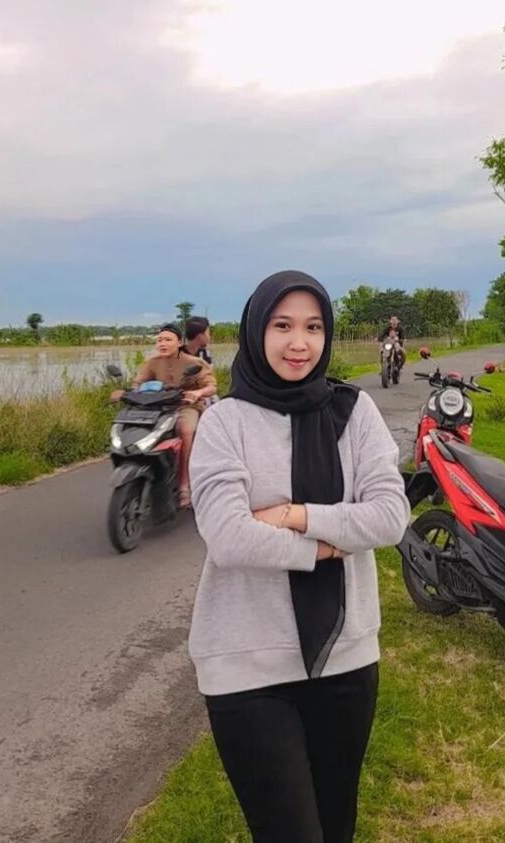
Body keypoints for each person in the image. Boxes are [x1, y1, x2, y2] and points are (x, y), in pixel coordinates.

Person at [188, 270, 410, 843]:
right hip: (247, 666)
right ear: (256, 331)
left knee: (336, 827)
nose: (299, 343)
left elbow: (390, 516)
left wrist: (294, 515)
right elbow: (230, 538)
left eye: (313, 328)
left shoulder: (354, 412)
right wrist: (333, 545)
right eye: (282, 326)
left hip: (346, 658)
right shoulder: (224, 423)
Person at [113, 323, 217, 508]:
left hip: (185, 406)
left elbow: (211, 386)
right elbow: (138, 384)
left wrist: (197, 393)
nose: (162, 343)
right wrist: (125, 392)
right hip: (156, 407)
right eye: (160, 340)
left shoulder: (194, 363)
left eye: (168, 340)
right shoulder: (152, 363)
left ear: (180, 343)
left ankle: (184, 485)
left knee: (185, 429)